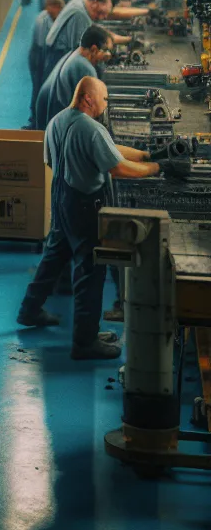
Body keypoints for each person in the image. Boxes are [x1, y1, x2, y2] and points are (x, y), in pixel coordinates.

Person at [16, 77, 175, 360]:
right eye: (104, 98)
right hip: (85, 208)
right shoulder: (91, 128)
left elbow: (101, 151)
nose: (106, 103)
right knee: (90, 271)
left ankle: (29, 311)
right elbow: (117, 168)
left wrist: (147, 154)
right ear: (88, 99)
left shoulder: (57, 121)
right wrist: (156, 167)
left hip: (61, 200)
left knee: (54, 256)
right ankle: (85, 341)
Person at [34, 25, 113, 130]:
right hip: (55, 125)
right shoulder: (84, 67)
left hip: (47, 118)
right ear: (94, 49)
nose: (108, 55)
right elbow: (94, 109)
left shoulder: (75, 54)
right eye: (106, 50)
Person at [43, 0, 118, 76]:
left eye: (104, 15)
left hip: (55, 50)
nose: (100, 18)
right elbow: (81, 50)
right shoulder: (81, 15)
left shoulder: (83, 0)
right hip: (58, 54)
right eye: (100, 13)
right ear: (94, 3)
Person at [26, 0, 64, 128]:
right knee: (38, 87)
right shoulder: (42, 20)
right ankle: (35, 121)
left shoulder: (57, 17)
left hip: (47, 54)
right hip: (38, 56)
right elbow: (43, 46)